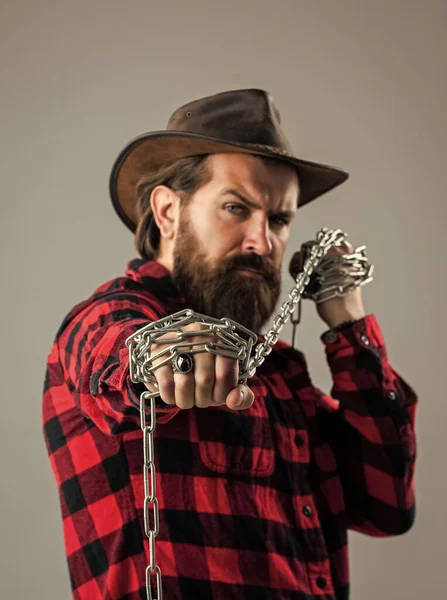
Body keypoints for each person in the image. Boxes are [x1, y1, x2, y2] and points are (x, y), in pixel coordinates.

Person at [42, 89, 417, 600]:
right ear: (168, 211)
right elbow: (114, 354)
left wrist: (348, 325)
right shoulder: (104, 318)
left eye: (279, 219)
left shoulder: (281, 373)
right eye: (237, 208)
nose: (262, 242)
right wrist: (164, 359)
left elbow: (387, 505)